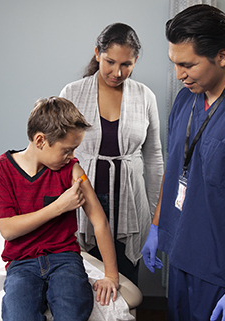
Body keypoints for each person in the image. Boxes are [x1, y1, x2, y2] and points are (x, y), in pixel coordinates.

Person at [141, 4, 225, 320]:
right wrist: (158, 225)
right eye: (174, 63)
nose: (178, 74)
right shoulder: (187, 96)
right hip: (182, 257)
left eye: (188, 64)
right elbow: (175, 168)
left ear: (222, 56)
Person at [0, 97, 119, 321]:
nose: (72, 156)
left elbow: (99, 221)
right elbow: (8, 229)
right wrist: (58, 206)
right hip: (22, 263)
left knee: (72, 312)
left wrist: (111, 276)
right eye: (67, 150)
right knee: (18, 316)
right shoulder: (1, 168)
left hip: (64, 259)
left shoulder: (73, 170)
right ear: (40, 140)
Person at [59, 23, 164, 285]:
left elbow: (154, 159)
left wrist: (154, 218)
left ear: (136, 60)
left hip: (131, 200)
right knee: (85, 279)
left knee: (126, 281)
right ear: (97, 53)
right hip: (84, 201)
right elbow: (58, 154)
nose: (117, 72)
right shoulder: (71, 93)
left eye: (126, 64)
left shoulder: (145, 97)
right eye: (110, 62)